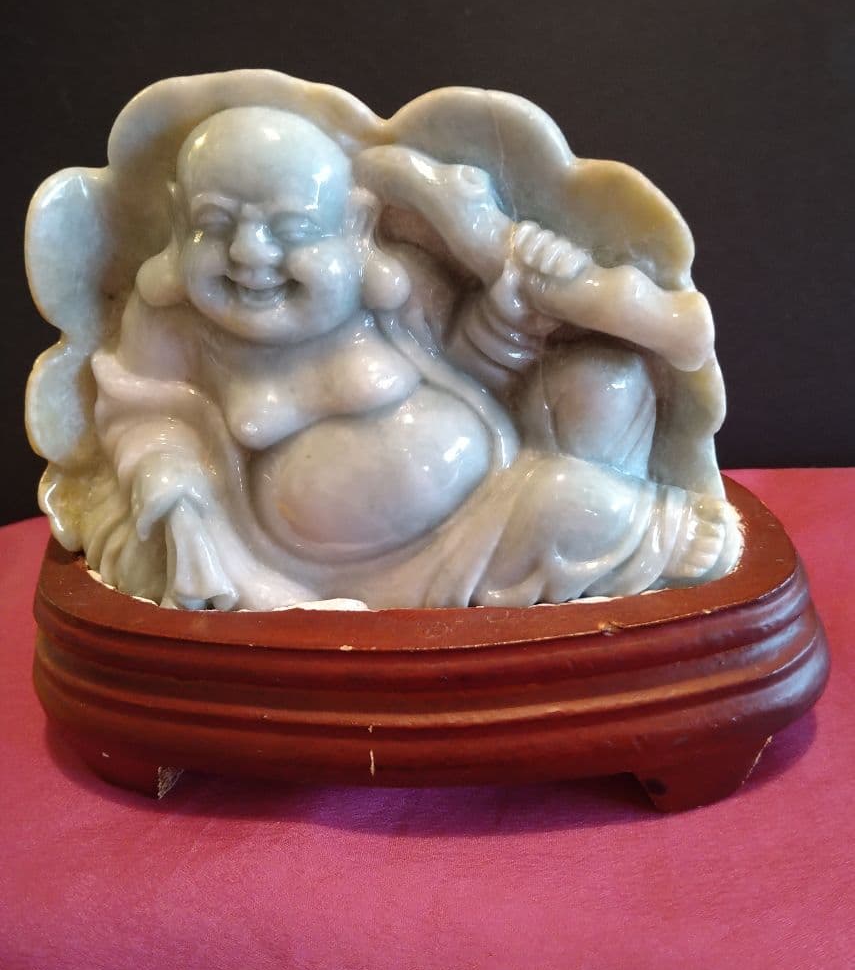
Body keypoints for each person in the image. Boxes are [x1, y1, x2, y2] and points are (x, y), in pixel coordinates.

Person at [88, 105, 739, 610]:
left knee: (608, 382)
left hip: (492, 474)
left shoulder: (394, 288)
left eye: (290, 231)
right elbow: (144, 416)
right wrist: (168, 480)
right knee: (574, 504)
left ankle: (597, 562)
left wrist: (510, 313)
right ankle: (631, 531)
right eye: (216, 225)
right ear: (178, 221)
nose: (250, 253)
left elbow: (469, 370)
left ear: (352, 224)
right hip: (373, 562)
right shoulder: (179, 327)